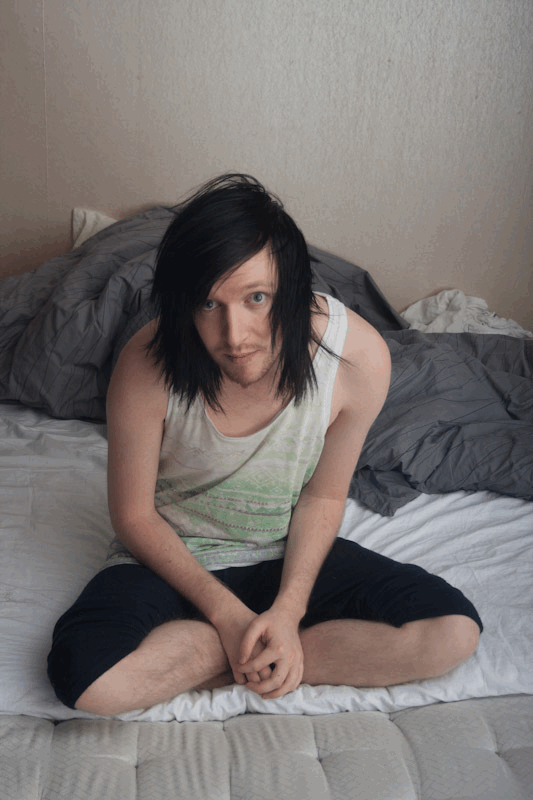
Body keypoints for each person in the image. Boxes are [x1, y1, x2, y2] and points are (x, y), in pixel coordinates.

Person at [47, 174, 482, 715]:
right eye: (209, 304)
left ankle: (271, 651)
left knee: (452, 632)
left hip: (282, 552)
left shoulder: (358, 357)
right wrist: (229, 618)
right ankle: (244, 653)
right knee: (85, 680)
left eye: (257, 298)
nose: (234, 336)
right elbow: (134, 516)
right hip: (175, 557)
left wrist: (289, 611)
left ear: (293, 289)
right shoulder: (147, 361)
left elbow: (324, 496)